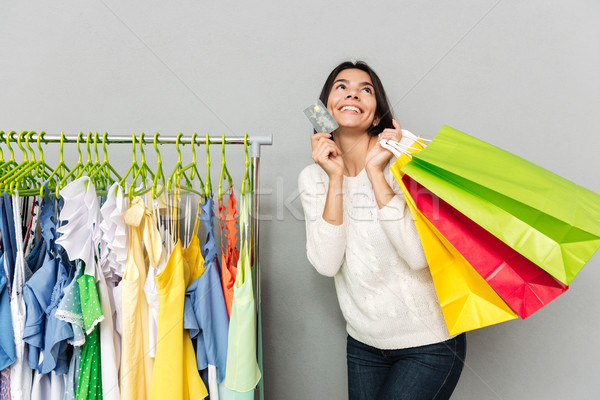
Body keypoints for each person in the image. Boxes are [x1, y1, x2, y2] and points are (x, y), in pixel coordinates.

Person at [298, 61, 466, 400]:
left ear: (377, 116)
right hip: (363, 345)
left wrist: (376, 174)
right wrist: (335, 179)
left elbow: (419, 257)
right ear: (325, 109)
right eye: (341, 87)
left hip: (429, 343)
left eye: (366, 90)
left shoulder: (403, 164)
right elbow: (327, 264)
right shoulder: (312, 178)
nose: (353, 94)